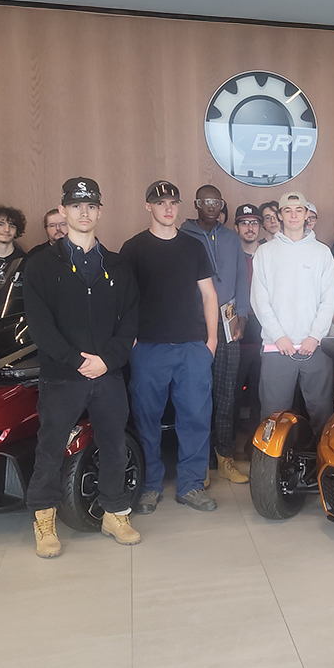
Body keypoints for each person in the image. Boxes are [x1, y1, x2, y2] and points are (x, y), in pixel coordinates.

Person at [23, 177, 140, 557]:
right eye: (76, 206)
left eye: (90, 206)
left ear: (100, 212)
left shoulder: (118, 265)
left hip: (108, 375)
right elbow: (41, 326)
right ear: (63, 211)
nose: (84, 212)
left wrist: (107, 361)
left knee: (114, 445)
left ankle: (114, 513)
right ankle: (44, 519)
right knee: (50, 447)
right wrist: (76, 361)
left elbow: (131, 321)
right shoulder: (41, 264)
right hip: (62, 376)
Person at [121, 181, 219, 515]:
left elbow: (208, 295)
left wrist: (212, 341)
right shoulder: (134, 248)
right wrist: (131, 340)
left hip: (192, 347)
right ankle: (149, 486)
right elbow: (123, 300)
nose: (168, 208)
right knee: (146, 418)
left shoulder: (193, 247)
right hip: (149, 347)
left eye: (173, 202)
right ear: (148, 206)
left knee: (195, 417)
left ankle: (191, 484)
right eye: (160, 202)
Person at [250, 191, 334, 439]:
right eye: (287, 210)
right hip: (277, 348)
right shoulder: (265, 253)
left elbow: (328, 300)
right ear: (279, 215)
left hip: (314, 348)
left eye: (299, 210)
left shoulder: (321, 253)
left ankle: (322, 471)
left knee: (322, 414)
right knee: (272, 418)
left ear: (307, 214)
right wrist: (279, 337)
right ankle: (270, 474)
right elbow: (259, 300)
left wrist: (315, 336)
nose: (293, 215)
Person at [181, 184, 250, 484]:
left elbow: (241, 280)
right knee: (194, 395)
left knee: (226, 393)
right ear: (196, 204)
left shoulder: (232, 238)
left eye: (216, 201)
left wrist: (243, 316)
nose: (211, 205)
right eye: (205, 201)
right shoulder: (182, 236)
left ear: (222, 205)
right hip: (194, 326)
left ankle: (225, 456)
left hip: (227, 324)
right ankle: (198, 462)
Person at [234, 204, 265, 443]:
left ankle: (256, 447)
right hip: (237, 331)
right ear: (236, 227)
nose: (250, 227)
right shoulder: (229, 255)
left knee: (261, 394)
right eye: (244, 222)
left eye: (254, 222)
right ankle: (228, 447)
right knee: (232, 393)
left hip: (266, 331)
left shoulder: (270, 255)